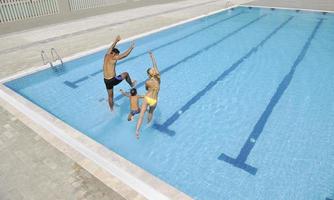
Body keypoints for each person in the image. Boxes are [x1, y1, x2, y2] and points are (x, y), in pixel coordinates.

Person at [103, 35, 136, 111]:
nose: (118, 56)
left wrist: (116, 41)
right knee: (126, 74)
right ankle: (131, 84)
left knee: (110, 96)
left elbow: (110, 48)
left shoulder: (106, 55)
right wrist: (131, 48)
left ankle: (111, 109)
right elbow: (124, 55)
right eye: (117, 54)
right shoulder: (114, 57)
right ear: (114, 54)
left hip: (106, 80)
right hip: (113, 80)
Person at [135, 50, 160, 139]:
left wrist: (151, 55)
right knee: (150, 112)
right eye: (152, 70)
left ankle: (137, 130)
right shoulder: (158, 78)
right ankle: (148, 125)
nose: (153, 69)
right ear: (151, 73)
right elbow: (155, 65)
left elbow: (146, 89)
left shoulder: (147, 82)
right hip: (154, 100)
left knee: (141, 114)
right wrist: (152, 56)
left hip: (148, 97)